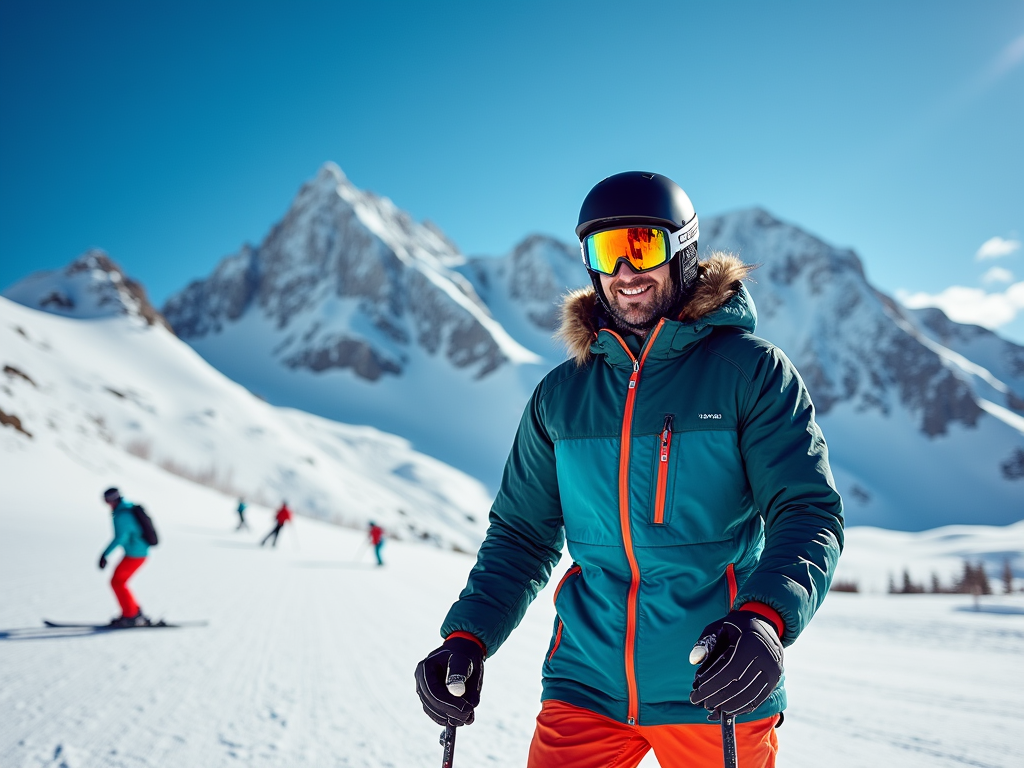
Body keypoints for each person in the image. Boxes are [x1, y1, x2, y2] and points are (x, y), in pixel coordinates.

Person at [414, 172, 844, 767]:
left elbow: (807, 511)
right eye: (605, 252)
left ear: (683, 250)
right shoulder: (561, 397)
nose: (624, 272)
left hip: (716, 678)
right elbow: (522, 534)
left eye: (640, 246)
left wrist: (766, 619)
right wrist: (466, 638)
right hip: (584, 685)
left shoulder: (749, 372)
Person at [98, 487, 152, 627]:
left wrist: (105, 554)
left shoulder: (123, 515)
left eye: (107, 500)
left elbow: (121, 537)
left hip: (136, 554)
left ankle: (131, 615)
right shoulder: (125, 510)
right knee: (119, 582)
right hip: (135, 553)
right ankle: (132, 612)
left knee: (118, 582)